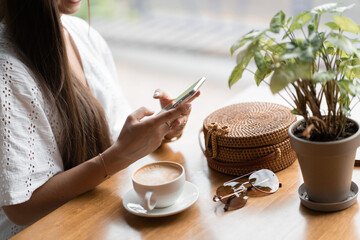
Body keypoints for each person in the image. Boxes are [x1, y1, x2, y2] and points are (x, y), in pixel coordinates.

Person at [0, 0, 200, 238]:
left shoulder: (83, 35)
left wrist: (160, 130)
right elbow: (22, 208)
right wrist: (116, 157)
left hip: (98, 220)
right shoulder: (7, 71)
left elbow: (116, 138)